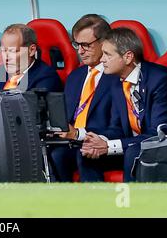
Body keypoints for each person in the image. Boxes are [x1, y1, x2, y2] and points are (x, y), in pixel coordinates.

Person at [82, 27, 167, 182]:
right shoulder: (115, 81)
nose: (101, 60)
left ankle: (133, 205)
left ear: (128, 57)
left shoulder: (161, 80)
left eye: (107, 54)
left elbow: (158, 135)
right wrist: (98, 141)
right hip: (134, 146)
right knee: (86, 155)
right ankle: (95, 204)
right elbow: (117, 128)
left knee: (134, 152)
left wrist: (109, 146)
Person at [49, 14, 120, 182]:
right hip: (70, 141)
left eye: (86, 45)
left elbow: (118, 126)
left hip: (100, 140)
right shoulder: (75, 76)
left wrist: (79, 134)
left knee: (80, 155)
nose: (80, 51)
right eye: (77, 44)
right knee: (45, 151)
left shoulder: (117, 75)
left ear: (104, 43)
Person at [0, 24, 62, 93]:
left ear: (31, 50)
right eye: (3, 51)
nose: (6, 58)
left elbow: (33, 111)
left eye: (12, 51)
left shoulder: (46, 76)